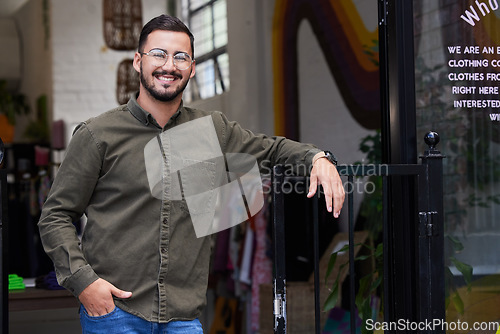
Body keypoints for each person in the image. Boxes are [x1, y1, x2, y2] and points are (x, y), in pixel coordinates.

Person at [38, 14, 345, 333]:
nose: (168, 65)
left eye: (180, 56)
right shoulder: (97, 135)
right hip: (115, 313)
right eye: (158, 54)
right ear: (138, 61)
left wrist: (318, 158)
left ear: (192, 67)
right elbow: (56, 215)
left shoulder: (213, 129)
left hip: (183, 318)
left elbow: (271, 149)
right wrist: (84, 282)